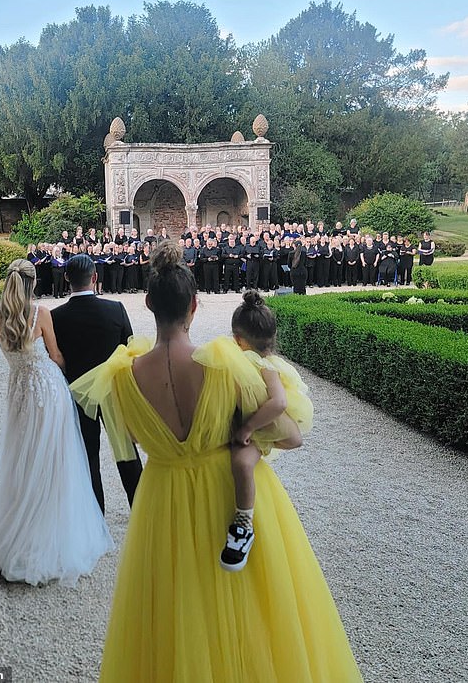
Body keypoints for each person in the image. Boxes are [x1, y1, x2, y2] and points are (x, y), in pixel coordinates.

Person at [70, 242, 363, 683]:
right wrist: (242, 437)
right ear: (195, 304)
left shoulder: (121, 377)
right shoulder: (225, 368)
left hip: (162, 498)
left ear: (148, 303)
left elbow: (130, 438)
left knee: (174, 607)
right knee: (248, 607)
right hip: (228, 493)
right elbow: (291, 436)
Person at [0, 259, 113, 586]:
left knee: (24, 455)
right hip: (46, 389)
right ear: (33, 282)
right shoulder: (40, 313)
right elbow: (55, 356)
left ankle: (18, 518)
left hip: (19, 391)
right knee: (55, 456)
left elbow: (10, 358)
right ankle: (50, 522)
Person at [220, 290, 311, 572]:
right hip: (248, 421)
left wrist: (249, 426)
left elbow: (279, 402)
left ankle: (243, 525)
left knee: (242, 463)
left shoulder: (264, 366)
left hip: (261, 425)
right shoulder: (244, 359)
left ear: (238, 338)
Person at [51, 254, 143, 513]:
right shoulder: (115, 309)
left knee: (88, 454)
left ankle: (95, 512)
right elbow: (129, 350)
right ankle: (139, 507)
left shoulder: (57, 316)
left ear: (67, 278)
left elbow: (55, 358)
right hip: (113, 391)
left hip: (78, 393)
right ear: (95, 277)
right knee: (126, 451)